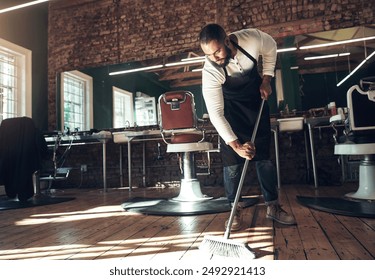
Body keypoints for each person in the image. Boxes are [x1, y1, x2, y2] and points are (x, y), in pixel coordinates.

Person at [199, 23, 296, 231]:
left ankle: (273, 206)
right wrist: (236, 146)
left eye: (217, 51)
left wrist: (267, 79)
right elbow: (215, 113)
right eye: (208, 54)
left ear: (227, 41)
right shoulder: (210, 71)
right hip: (231, 116)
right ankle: (235, 210)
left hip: (257, 105)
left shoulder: (250, 39)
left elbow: (270, 45)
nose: (214, 58)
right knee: (232, 166)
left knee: (264, 161)